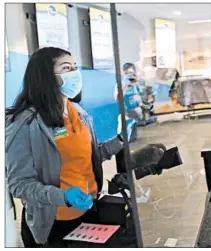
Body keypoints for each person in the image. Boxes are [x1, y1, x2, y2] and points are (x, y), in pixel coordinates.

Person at [5, 47, 125, 247]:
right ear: (46, 77)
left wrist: (120, 141)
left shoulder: (78, 112)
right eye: (66, 68)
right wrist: (62, 196)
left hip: (88, 212)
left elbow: (89, 157)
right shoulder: (25, 124)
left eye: (75, 67)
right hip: (54, 223)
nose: (75, 74)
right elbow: (20, 185)